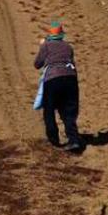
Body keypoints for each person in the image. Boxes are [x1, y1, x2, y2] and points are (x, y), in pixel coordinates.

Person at [34, 22, 82, 152]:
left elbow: (37, 64)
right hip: (70, 78)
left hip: (53, 79)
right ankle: (73, 140)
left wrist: (42, 47)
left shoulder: (46, 46)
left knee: (49, 110)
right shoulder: (68, 47)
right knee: (69, 110)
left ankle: (54, 141)